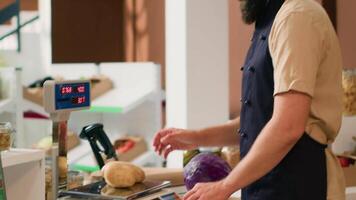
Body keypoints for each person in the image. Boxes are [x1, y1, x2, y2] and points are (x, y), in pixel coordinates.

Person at [153, 0, 346, 199]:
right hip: (270, 185)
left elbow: (288, 126)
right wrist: (195, 137)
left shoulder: (296, 17)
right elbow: (257, 122)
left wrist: (225, 186)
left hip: (299, 184)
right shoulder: (273, 19)